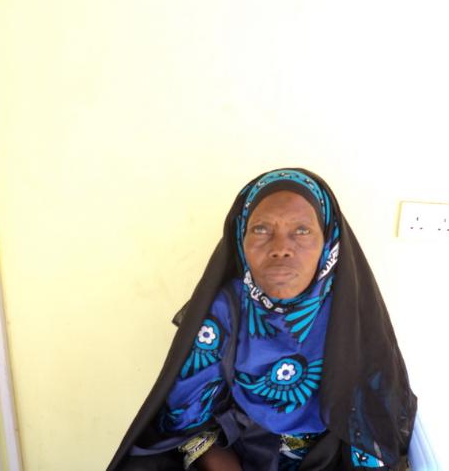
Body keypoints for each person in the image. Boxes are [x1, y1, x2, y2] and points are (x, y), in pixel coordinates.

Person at [107, 168, 417, 471]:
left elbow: (374, 421)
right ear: (240, 239)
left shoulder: (351, 310)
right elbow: (185, 417)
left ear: (327, 240)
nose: (281, 248)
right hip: (242, 452)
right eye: (261, 229)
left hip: (333, 456)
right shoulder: (226, 309)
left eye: (302, 230)